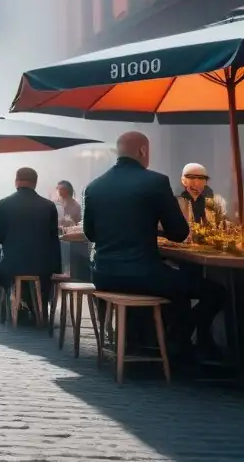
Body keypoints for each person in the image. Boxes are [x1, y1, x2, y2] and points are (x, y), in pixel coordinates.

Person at [84, 131, 226, 361]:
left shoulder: (93, 186)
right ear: (143, 151)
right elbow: (179, 233)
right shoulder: (155, 182)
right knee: (216, 292)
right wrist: (155, 228)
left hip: (104, 274)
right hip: (143, 275)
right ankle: (176, 342)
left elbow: (90, 234)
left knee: (177, 292)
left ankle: (161, 341)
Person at [0, 167, 62, 317]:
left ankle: (10, 307)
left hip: (12, 264)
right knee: (41, 280)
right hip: (42, 267)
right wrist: (56, 269)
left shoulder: (4, 204)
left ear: (16, 181)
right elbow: (54, 240)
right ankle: (37, 308)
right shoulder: (48, 206)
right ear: (35, 183)